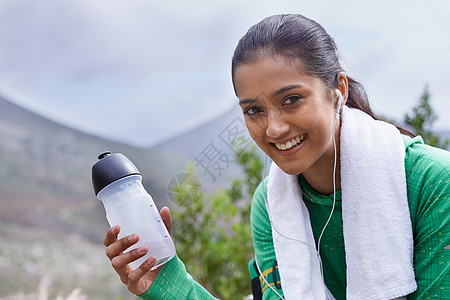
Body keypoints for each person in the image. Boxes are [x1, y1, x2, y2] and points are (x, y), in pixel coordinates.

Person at [103, 14, 450, 299]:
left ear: (337, 91)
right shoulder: (271, 206)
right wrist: (167, 280)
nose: (273, 129)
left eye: (291, 100)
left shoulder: (431, 183)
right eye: (254, 110)